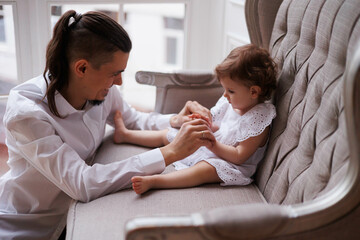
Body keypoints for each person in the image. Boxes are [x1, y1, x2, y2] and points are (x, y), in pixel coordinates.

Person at [0, 10, 214, 240]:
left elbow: (134, 119)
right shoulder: (27, 113)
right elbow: (82, 182)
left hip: (67, 218)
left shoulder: (102, 88)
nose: (119, 82)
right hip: (25, 226)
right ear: (81, 68)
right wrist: (169, 153)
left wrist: (176, 120)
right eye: (115, 73)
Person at [112, 44, 277, 194]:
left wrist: (213, 144)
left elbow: (240, 155)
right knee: (170, 134)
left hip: (232, 164)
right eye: (224, 89)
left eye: (231, 91)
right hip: (214, 146)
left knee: (204, 170)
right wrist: (205, 125)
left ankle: (156, 181)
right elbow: (219, 125)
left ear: (254, 92)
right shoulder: (232, 103)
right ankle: (125, 134)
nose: (225, 95)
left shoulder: (259, 117)